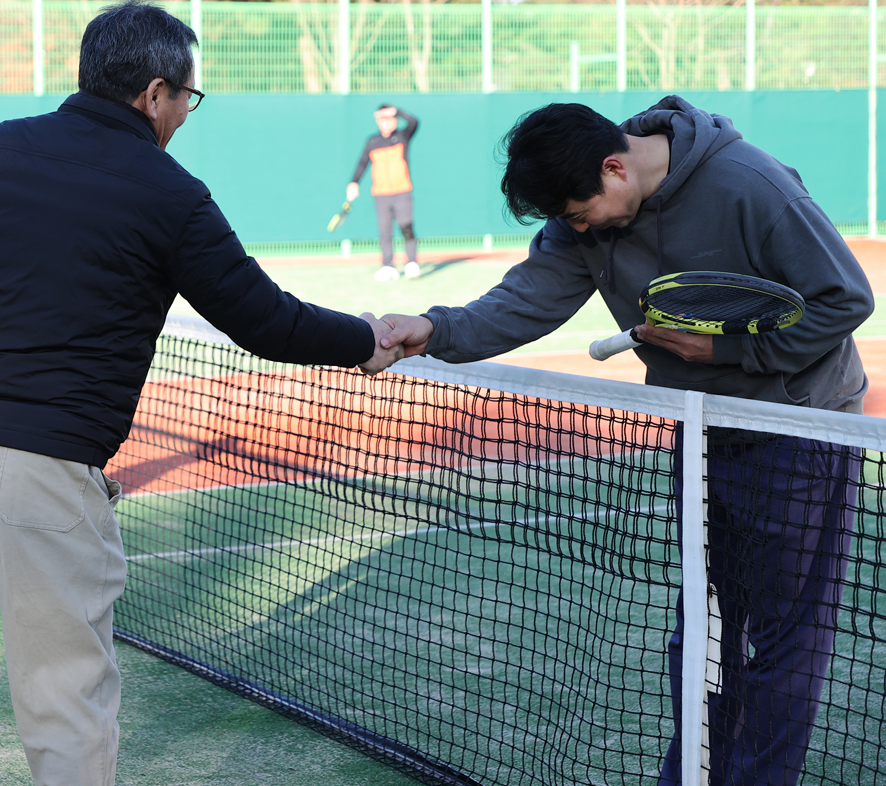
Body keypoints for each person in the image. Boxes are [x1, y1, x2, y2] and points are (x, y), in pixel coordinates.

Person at [0, 0, 399, 786]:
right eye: (186, 100)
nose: (183, 117)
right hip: (49, 470)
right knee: (64, 698)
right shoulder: (173, 194)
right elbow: (265, 321)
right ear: (154, 93)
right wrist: (366, 340)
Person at [370, 97, 873, 786]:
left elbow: (845, 299)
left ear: (615, 167)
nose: (578, 230)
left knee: (785, 638)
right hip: (699, 430)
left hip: (798, 425)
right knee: (703, 629)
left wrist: (727, 354)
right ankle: (693, 774)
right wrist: (433, 329)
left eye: (580, 215)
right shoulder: (587, 210)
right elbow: (530, 297)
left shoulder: (752, 186)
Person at [347, 104, 421, 281]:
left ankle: (411, 263)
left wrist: (396, 111)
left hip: (402, 191)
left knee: (406, 227)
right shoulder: (372, 141)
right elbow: (362, 163)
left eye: (390, 118)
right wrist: (354, 183)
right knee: (384, 231)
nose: (387, 122)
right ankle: (388, 266)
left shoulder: (403, 136)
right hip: (380, 194)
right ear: (378, 121)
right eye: (383, 118)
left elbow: (414, 121)